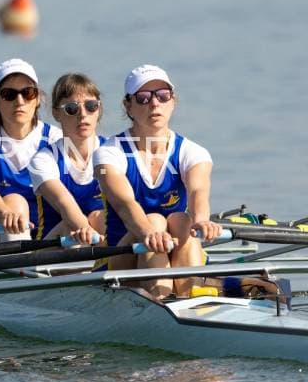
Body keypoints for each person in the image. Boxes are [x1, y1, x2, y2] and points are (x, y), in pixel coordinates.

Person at [93, 64, 223, 294]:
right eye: (143, 97)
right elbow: (124, 204)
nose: (154, 103)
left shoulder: (194, 153)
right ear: (128, 105)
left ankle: (187, 297)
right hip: (120, 261)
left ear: (173, 101)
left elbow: (198, 192)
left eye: (163, 95)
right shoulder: (108, 154)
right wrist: (149, 232)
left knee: (183, 222)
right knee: (154, 221)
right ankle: (164, 298)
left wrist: (202, 220)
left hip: (176, 247)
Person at [0, 58, 63, 238]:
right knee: (15, 203)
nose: (19, 101)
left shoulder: (56, 138)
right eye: (9, 94)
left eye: (28, 93)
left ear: (38, 99)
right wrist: (5, 212)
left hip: (45, 241)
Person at [29, 73, 106, 245]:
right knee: (71, 227)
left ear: (98, 110)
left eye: (91, 106)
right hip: (53, 250)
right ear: (56, 113)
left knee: (100, 218)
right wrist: (95, 238)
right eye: (72, 108)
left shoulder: (113, 153)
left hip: (100, 242)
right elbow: (64, 204)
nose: (83, 115)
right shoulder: (44, 160)